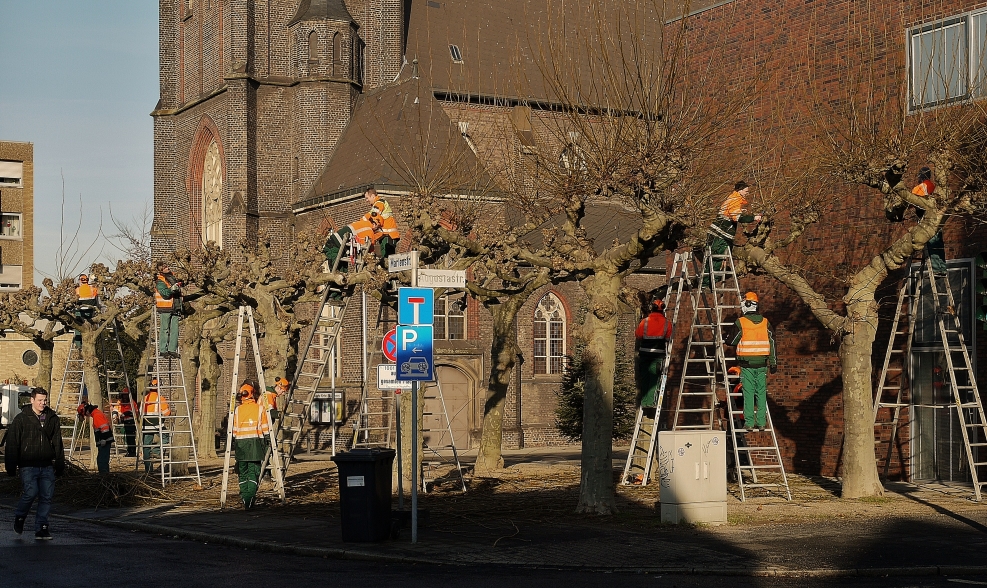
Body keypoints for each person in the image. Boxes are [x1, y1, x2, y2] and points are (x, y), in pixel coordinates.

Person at [4, 387, 63, 540]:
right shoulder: (21, 419)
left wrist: (59, 462)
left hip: (46, 465)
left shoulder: (52, 418)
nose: (43, 403)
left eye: (45, 400)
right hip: (27, 465)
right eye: (40, 400)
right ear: (32, 400)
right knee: (31, 493)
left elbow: (57, 442)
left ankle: (42, 527)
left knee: (46, 496)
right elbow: (12, 443)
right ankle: (20, 516)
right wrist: (11, 465)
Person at [728, 292, 777, 431]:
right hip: (762, 365)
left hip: (747, 365)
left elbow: (731, 341)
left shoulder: (741, 322)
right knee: (761, 393)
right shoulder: (766, 323)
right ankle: (761, 422)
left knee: (748, 393)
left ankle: (749, 423)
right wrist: (773, 363)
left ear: (748, 304)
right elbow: (772, 343)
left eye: (743, 302)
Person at [705, 181, 762, 285]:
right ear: (740, 191)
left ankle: (709, 282)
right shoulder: (735, 200)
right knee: (717, 258)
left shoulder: (732, 198)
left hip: (718, 234)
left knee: (716, 258)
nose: (747, 193)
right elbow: (737, 217)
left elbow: (731, 212)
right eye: (746, 191)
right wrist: (754, 217)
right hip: (720, 235)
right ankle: (708, 283)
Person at [232, 382, 270, 509]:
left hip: (241, 445)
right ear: (252, 394)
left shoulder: (237, 410)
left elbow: (235, 429)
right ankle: (249, 499)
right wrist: (268, 440)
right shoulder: (260, 409)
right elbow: (265, 427)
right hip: (255, 445)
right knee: (254, 472)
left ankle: (245, 497)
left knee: (243, 472)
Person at [635, 297, 672, 408]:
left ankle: (644, 401)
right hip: (657, 355)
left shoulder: (644, 321)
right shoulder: (667, 323)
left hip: (644, 354)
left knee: (645, 378)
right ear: (662, 310)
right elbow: (668, 336)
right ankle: (650, 402)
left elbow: (638, 335)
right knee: (654, 379)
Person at [912, 167, 947, 276]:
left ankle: (936, 269)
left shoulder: (918, 188)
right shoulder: (934, 187)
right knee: (939, 243)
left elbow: (913, 203)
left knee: (932, 243)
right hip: (937, 219)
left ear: (921, 177)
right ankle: (942, 268)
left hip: (926, 220)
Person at [361, 188, 401, 263]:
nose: (366, 200)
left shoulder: (379, 203)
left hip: (388, 236)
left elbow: (373, 215)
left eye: (367, 198)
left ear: (373, 196)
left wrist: (361, 222)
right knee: (387, 260)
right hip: (386, 236)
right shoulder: (377, 205)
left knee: (388, 260)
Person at [142, 378, 171, 474]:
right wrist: (169, 410)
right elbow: (166, 413)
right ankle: (157, 451)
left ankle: (148, 469)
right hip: (157, 424)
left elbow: (140, 411)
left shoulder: (145, 398)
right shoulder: (160, 398)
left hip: (146, 425)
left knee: (146, 446)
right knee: (166, 436)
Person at [154, 261, 183, 359]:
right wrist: (172, 289)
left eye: (167, 266)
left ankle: (172, 349)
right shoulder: (160, 280)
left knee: (175, 330)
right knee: (165, 329)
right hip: (165, 307)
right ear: (161, 270)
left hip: (175, 306)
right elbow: (165, 294)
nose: (167, 268)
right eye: (165, 267)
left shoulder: (173, 277)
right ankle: (163, 350)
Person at [78, 403, 113, 474]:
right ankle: (104, 476)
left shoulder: (97, 415)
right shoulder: (96, 414)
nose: (86, 416)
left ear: (86, 411)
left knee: (102, 461)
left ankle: (104, 477)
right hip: (104, 441)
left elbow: (104, 428)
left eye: (85, 414)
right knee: (101, 460)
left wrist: (103, 439)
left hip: (104, 442)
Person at [73, 273, 99, 346]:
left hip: (79, 312)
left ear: (80, 281)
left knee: (78, 328)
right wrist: (95, 279)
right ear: (87, 280)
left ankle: (78, 345)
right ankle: (89, 343)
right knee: (89, 327)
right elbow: (99, 291)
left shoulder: (77, 290)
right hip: (90, 311)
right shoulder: (93, 289)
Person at [116, 389, 138, 457]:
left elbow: (135, 412)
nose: (125, 397)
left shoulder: (132, 402)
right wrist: (116, 415)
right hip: (123, 421)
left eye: (126, 395)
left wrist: (127, 413)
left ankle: (132, 452)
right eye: (124, 395)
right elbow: (116, 409)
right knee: (126, 438)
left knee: (131, 438)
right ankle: (129, 451)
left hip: (131, 421)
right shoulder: (119, 402)